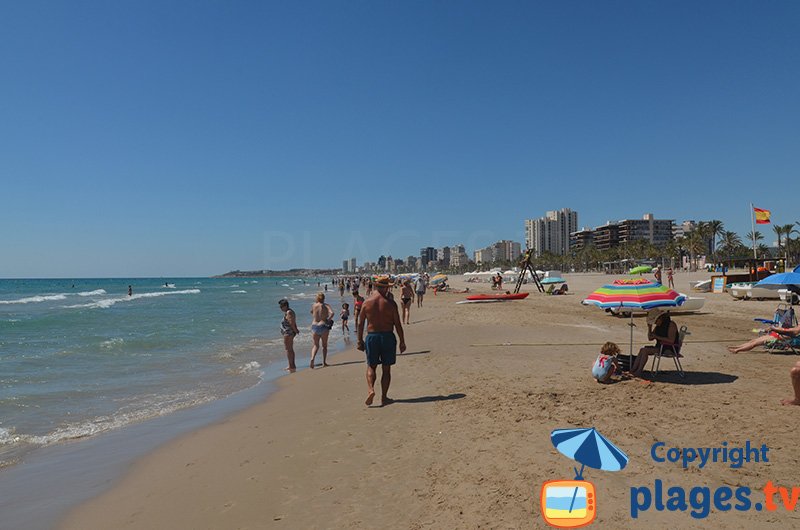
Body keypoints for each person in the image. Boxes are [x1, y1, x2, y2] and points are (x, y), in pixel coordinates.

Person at [357, 275, 406, 406]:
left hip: (372, 337)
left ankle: (370, 389)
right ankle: (384, 397)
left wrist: (359, 341)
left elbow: (360, 324)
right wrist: (402, 341)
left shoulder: (367, 303)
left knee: (371, 366)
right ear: (385, 288)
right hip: (387, 336)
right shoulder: (391, 304)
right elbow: (397, 324)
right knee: (386, 369)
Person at [630, 311, 679, 376]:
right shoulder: (658, 326)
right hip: (660, 347)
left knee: (645, 351)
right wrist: (649, 328)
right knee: (642, 349)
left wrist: (657, 337)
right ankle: (633, 369)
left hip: (669, 348)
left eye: (655, 321)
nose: (655, 323)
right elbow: (650, 338)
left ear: (660, 318)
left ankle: (639, 371)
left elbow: (671, 340)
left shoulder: (671, 324)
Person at [727, 323, 800, 354]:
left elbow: (794, 332)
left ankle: (737, 350)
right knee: (754, 340)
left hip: (781, 337)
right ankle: (737, 347)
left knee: (755, 343)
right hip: (779, 334)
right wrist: (776, 329)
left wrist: (777, 329)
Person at [310, 292, 334, 368]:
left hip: (314, 326)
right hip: (323, 325)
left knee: (315, 345)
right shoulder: (326, 305)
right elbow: (332, 313)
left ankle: (312, 358)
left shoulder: (314, 305)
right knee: (324, 346)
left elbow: (311, 312)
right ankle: (324, 362)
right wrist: (328, 319)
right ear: (324, 298)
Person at [278, 299, 300, 372]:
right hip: (289, 333)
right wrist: (296, 330)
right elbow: (293, 322)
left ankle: (291, 366)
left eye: (281, 306)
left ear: (285, 306)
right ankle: (292, 365)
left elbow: (291, 323)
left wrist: (295, 330)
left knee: (288, 349)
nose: (280, 308)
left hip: (288, 333)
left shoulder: (289, 312)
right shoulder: (289, 312)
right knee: (290, 349)